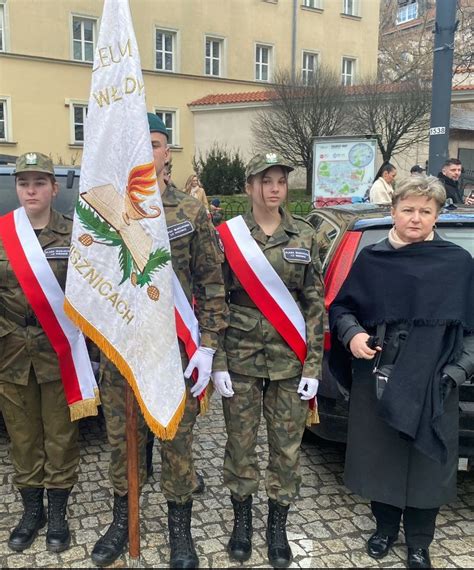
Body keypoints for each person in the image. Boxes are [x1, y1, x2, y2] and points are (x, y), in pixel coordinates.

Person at [91, 113, 228, 569]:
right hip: (123, 354)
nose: (146, 152)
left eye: (154, 144)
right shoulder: (109, 212)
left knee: (177, 442)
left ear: (166, 152)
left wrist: (207, 344)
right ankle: (120, 520)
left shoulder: (189, 211)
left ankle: (180, 532)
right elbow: (94, 285)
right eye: (138, 144)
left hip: (173, 353)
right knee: (122, 442)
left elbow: (211, 282)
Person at [329, 174, 474, 569]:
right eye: (408, 210)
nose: (415, 218)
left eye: (425, 211)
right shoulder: (373, 260)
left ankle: (419, 543)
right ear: (392, 211)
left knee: (429, 462)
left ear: (437, 216)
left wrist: (456, 373)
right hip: (380, 372)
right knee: (382, 456)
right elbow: (341, 309)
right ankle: (385, 530)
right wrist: (354, 336)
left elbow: (473, 331)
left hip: (436, 378)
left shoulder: (458, 264)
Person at [212, 152, 324, 568]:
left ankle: (276, 525)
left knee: (286, 447)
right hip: (240, 357)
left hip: (289, 358)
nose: (274, 188)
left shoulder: (306, 235)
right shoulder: (227, 236)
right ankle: (242, 521)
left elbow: (315, 305)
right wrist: (218, 361)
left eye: (280, 181)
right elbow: (213, 301)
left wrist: (313, 365)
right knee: (240, 445)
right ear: (248, 187)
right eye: (265, 181)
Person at [0, 153, 81, 554]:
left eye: (39, 183)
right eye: (24, 183)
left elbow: (87, 295)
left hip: (58, 352)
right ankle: (32, 512)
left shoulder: (73, 235)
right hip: (11, 353)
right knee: (23, 437)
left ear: (53, 187)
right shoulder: (2, 233)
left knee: (61, 435)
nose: (31, 190)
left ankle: (59, 512)